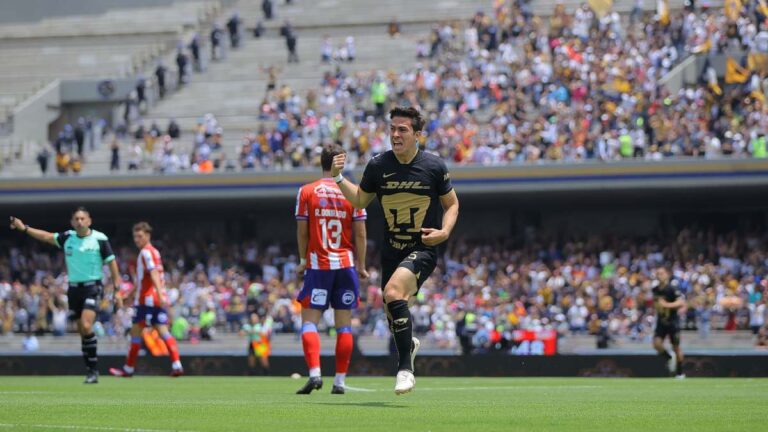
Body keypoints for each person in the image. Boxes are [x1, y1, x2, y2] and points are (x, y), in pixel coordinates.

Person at [331, 106, 459, 395]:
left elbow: (452, 204)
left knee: (392, 294)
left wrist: (445, 231)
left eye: (402, 129)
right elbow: (361, 201)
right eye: (392, 128)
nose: (396, 134)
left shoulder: (434, 166)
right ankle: (409, 345)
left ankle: (405, 370)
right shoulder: (378, 166)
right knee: (393, 312)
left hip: (422, 248)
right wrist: (339, 178)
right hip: (391, 252)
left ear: (417, 135)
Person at [9, 208, 121, 384]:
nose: (79, 222)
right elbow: (46, 236)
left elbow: (112, 263)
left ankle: (93, 370)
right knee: (82, 331)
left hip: (93, 287)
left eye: (83, 218)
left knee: (86, 324)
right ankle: (91, 370)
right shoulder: (68, 237)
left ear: (89, 221)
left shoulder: (100, 239)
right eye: (76, 219)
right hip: (74, 289)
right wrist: (25, 228)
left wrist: (118, 290)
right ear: (72, 222)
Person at [294, 144, 368, 395]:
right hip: (346, 265)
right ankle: (339, 380)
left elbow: (302, 231)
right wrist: (362, 264)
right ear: (341, 164)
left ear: (321, 162)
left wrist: (303, 260)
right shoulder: (354, 193)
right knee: (344, 325)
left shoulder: (307, 191)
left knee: (310, 322)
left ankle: (315, 373)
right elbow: (360, 232)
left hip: (318, 265)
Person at [109, 222, 183, 378]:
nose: (137, 239)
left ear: (148, 236)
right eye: (135, 236)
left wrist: (159, 293)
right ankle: (177, 364)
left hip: (147, 300)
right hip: (154, 298)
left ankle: (128, 369)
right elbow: (143, 279)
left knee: (136, 332)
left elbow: (154, 273)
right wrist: (130, 295)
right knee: (163, 332)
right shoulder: (154, 252)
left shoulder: (146, 253)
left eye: (140, 236)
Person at [652, 267, 686, 378]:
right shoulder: (655, 289)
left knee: (676, 347)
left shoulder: (672, 288)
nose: (659, 276)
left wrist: (667, 305)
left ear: (667, 274)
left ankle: (680, 373)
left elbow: (681, 302)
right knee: (656, 344)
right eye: (657, 273)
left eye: (661, 273)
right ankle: (669, 357)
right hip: (661, 321)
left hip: (673, 322)